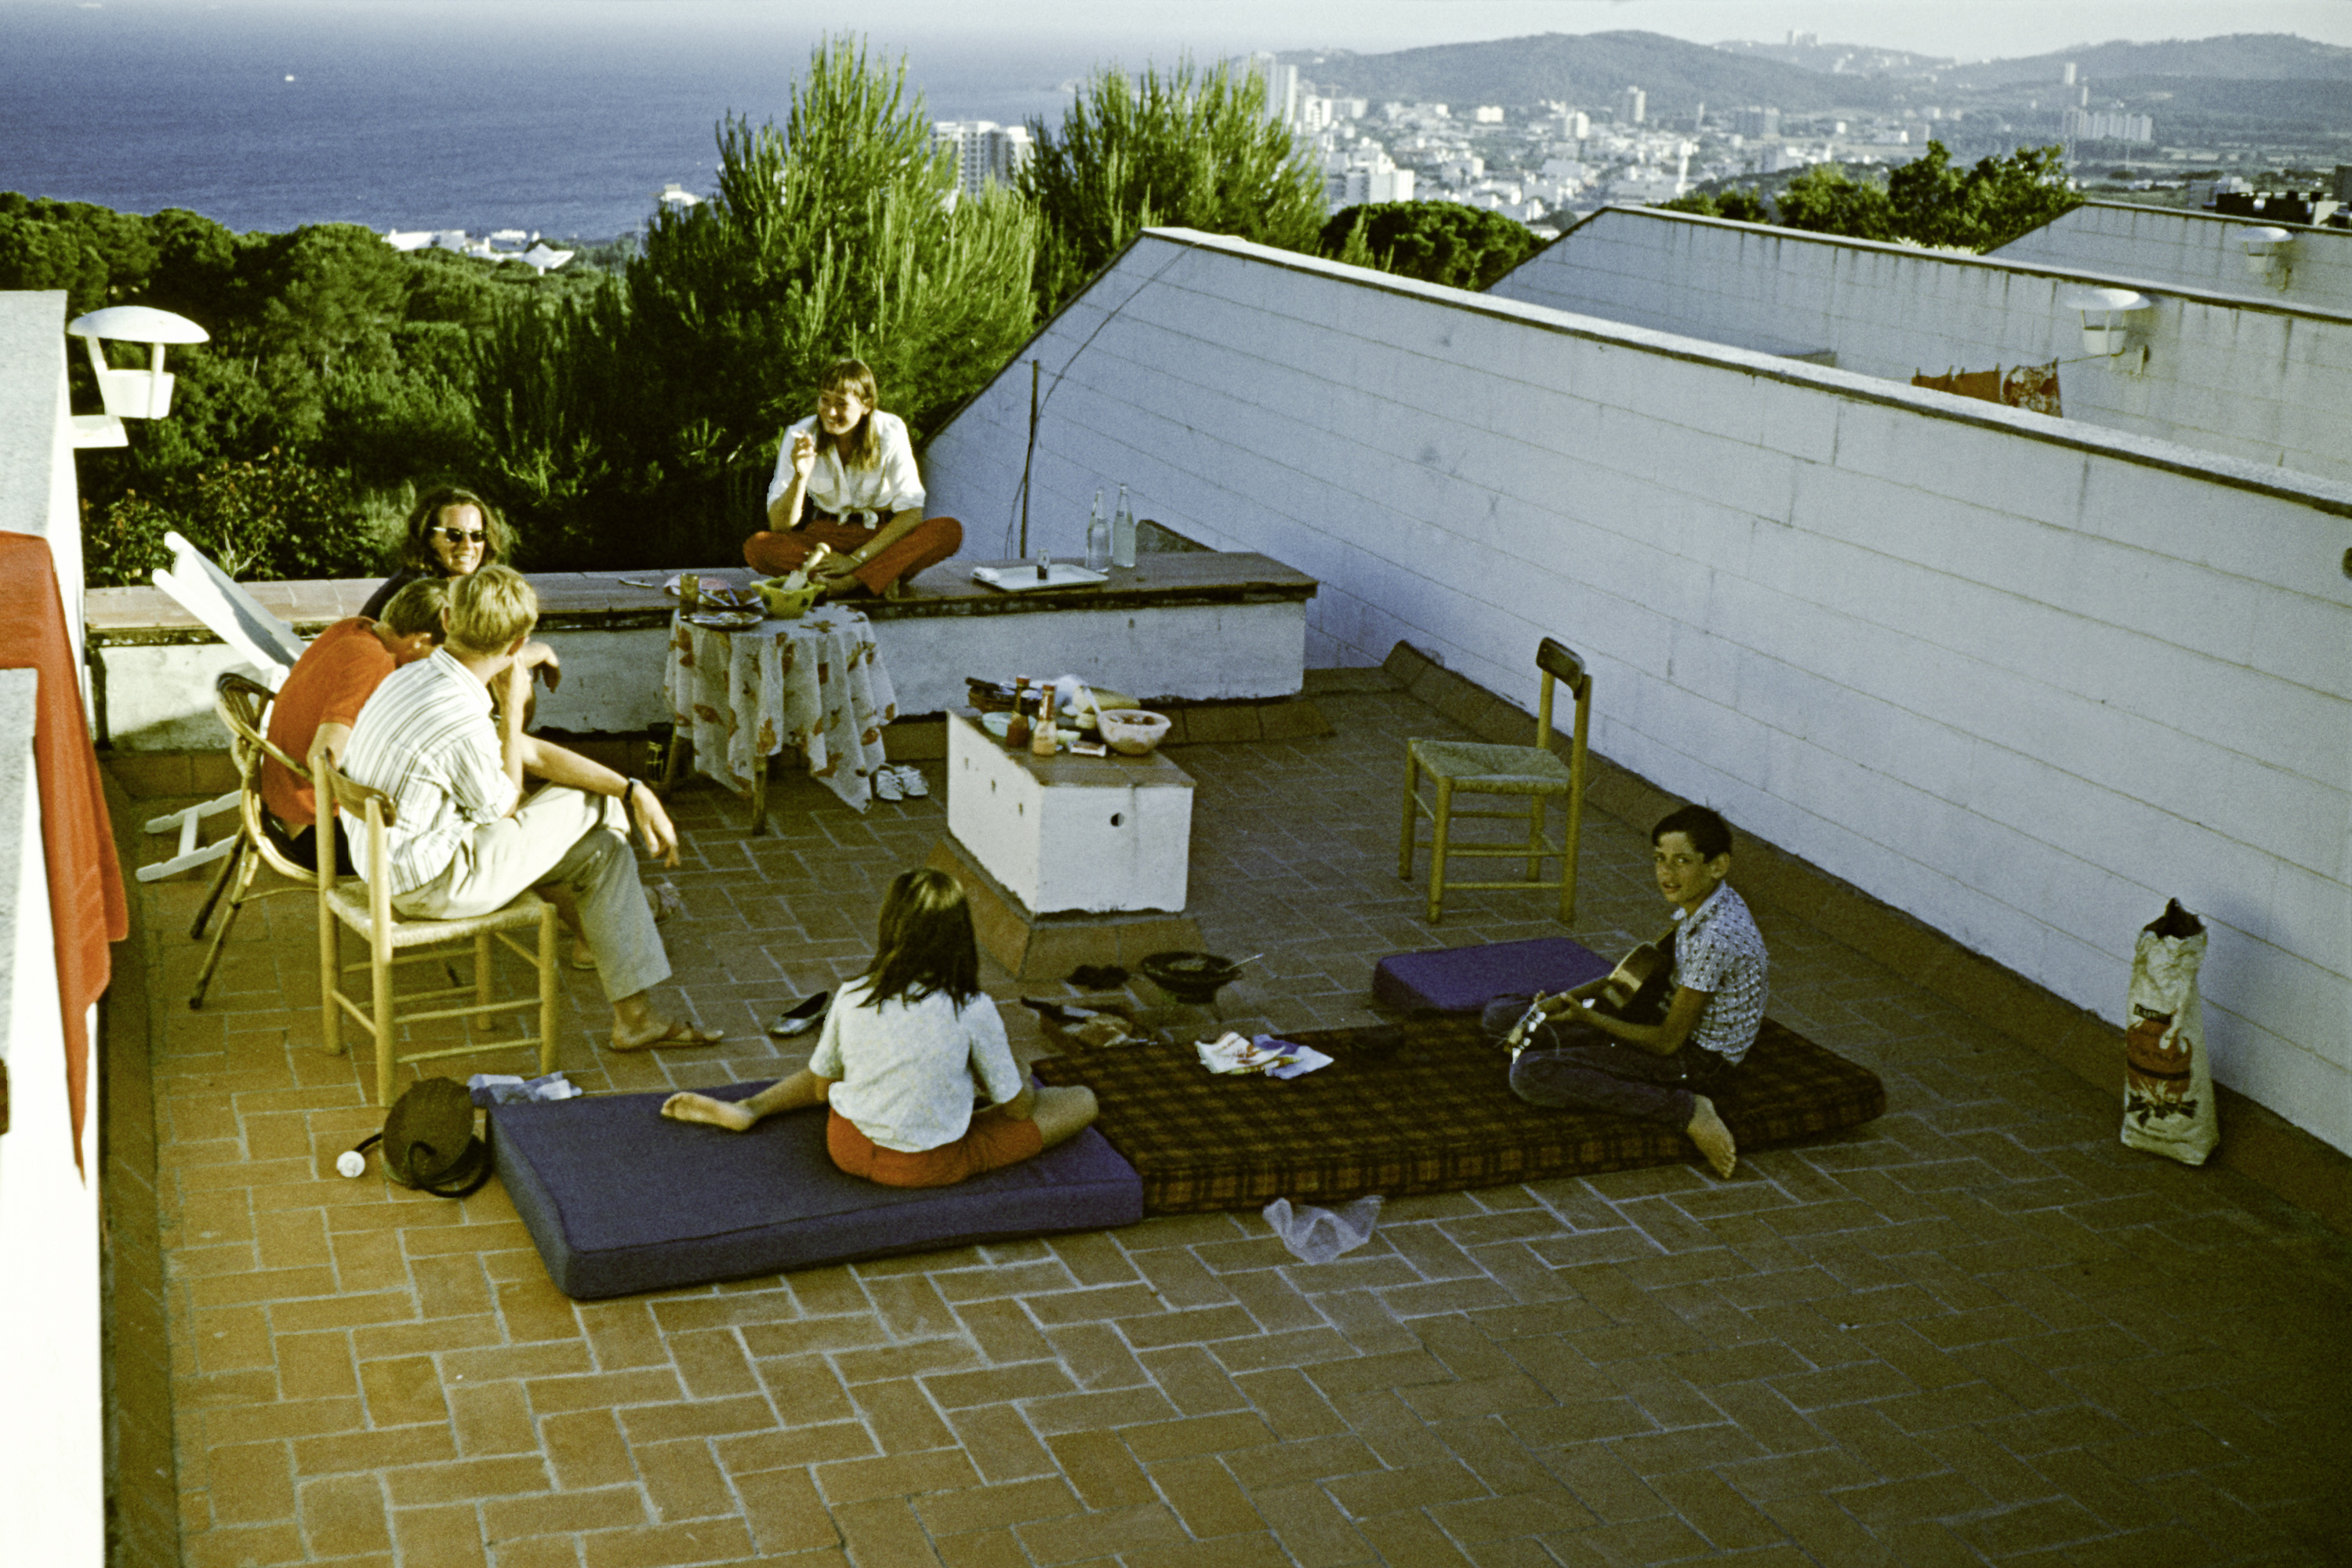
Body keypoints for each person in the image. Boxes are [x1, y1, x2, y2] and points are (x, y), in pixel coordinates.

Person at [339, 565, 721, 1052]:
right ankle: (612, 928)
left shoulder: (412, 676)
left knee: (604, 850)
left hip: (389, 863)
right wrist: (515, 711)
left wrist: (632, 788)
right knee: (599, 803)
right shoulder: (459, 714)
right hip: (432, 884)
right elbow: (504, 806)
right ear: (518, 644)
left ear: (448, 618)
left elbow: (526, 753)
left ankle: (634, 1016)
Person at [659, 868, 1098, 1186]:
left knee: (831, 1067)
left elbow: (821, 1088)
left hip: (846, 1146)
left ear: (889, 927)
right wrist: (1019, 1074)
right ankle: (954, 1114)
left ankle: (751, 1107)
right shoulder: (973, 1008)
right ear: (961, 937)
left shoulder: (853, 993)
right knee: (1080, 1100)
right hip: (926, 1166)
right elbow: (1019, 1110)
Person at [1481, 805, 1768, 1179]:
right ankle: (1571, 1042)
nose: (1666, 873)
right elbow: (1633, 974)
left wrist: (1589, 1018)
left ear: (1717, 865)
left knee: (1530, 1075)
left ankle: (1688, 1110)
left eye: (1682, 861)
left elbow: (1666, 1043)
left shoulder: (1716, 936)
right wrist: (1563, 1001)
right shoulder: (1705, 902)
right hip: (1657, 1015)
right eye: (1660, 859)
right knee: (1500, 1015)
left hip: (1694, 1061)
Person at [260, 577, 451, 871]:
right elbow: (322, 758)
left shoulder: (354, 628)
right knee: (450, 831)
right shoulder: (373, 661)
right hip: (315, 831)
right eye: (443, 651)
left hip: (283, 807)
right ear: (421, 639)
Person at [743, 359, 964, 601]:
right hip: (824, 542)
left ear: (866, 405)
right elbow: (780, 526)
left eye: (841, 404)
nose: (830, 412)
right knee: (758, 547)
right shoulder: (802, 434)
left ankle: (847, 583)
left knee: (947, 531)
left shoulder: (890, 430)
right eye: (825, 400)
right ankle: (877, 578)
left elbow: (911, 514)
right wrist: (800, 476)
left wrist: (855, 561)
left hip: (879, 539)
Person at [361, 485, 560, 713]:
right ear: (428, 537)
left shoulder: (446, 584)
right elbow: (470, 665)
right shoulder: (422, 592)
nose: (467, 545)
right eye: (454, 535)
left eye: (477, 535)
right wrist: (541, 652)